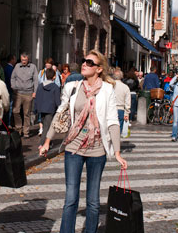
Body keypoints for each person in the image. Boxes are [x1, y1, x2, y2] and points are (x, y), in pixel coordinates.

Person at [39, 50, 128, 233]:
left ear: (99, 69)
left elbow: (112, 121)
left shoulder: (107, 90)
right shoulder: (72, 86)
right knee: (71, 198)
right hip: (73, 146)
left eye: (89, 62)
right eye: (83, 61)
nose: (84, 64)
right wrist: (47, 140)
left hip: (97, 149)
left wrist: (117, 152)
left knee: (93, 201)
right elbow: (60, 115)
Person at [11, 52, 38, 137]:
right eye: (22, 60)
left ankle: (26, 131)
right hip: (18, 93)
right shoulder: (17, 66)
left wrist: (35, 92)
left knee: (26, 113)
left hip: (28, 93)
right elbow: (13, 77)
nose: (24, 62)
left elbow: (36, 80)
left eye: (25, 60)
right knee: (16, 111)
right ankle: (19, 129)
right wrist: (14, 87)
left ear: (28, 59)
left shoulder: (33, 67)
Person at [33, 68, 60, 148]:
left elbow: (37, 98)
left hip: (41, 108)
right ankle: (42, 144)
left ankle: (49, 143)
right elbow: (57, 100)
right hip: (50, 109)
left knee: (45, 125)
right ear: (54, 77)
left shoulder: (40, 86)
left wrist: (35, 109)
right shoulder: (55, 87)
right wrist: (59, 109)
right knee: (47, 127)